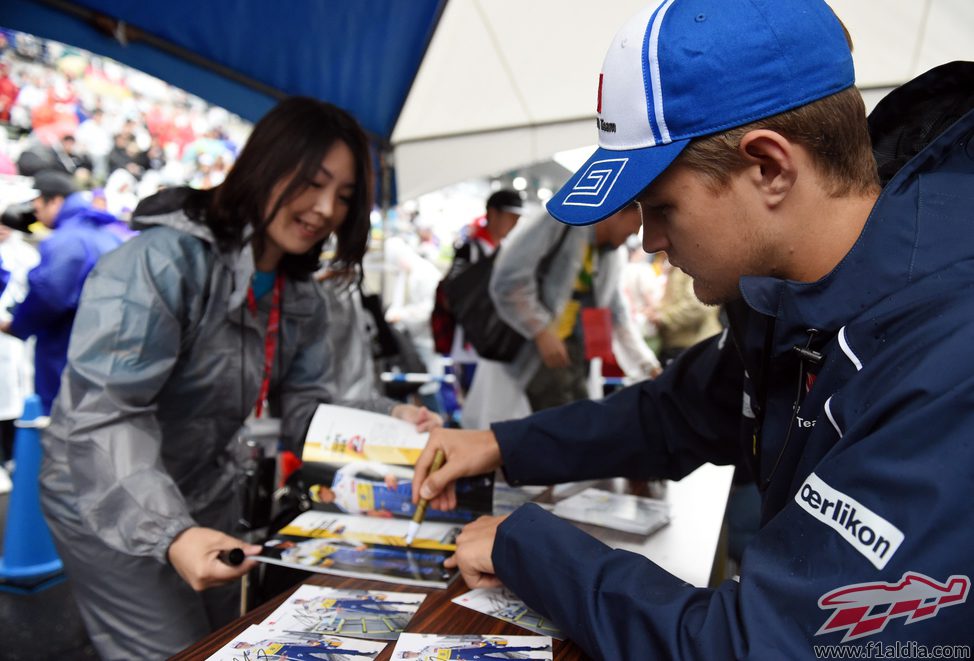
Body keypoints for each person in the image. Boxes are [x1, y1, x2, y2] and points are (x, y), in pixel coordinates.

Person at [411, 3, 974, 657]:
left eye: (661, 206)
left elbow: (757, 646)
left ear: (769, 167)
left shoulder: (948, 350)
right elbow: (673, 411)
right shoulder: (794, 300)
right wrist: (498, 441)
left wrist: (525, 544)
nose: (650, 240)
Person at [38, 98, 440, 660]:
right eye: (312, 182)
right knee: (175, 648)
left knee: (226, 641)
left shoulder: (301, 294)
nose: (326, 209)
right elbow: (105, 413)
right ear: (265, 165)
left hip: (202, 491)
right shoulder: (161, 263)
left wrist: (388, 420)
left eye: (345, 196)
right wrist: (169, 532)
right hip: (104, 492)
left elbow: (307, 413)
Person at [461, 204, 660, 429]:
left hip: (573, 359)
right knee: (535, 434)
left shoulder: (611, 255)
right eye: (636, 224)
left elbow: (617, 314)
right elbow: (509, 281)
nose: (634, 234)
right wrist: (540, 331)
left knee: (574, 429)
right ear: (616, 213)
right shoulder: (560, 222)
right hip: (527, 357)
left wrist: (646, 365)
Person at [2, 171, 127, 414]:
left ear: (56, 201)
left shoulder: (67, 240)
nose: (34, 211)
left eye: (37, 204)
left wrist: (17, 325)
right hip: (107, 351)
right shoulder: (108, 234)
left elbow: (49, 295)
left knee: (65, 428)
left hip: (69, 350)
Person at [433, 189, 524, 393]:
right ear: (493, 213)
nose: (515, 223)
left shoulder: (507, 250)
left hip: (498, 342)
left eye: (517, 218)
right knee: (472, 396)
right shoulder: (470, 250)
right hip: (471, 343)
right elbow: (451, 292)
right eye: (511, 216)